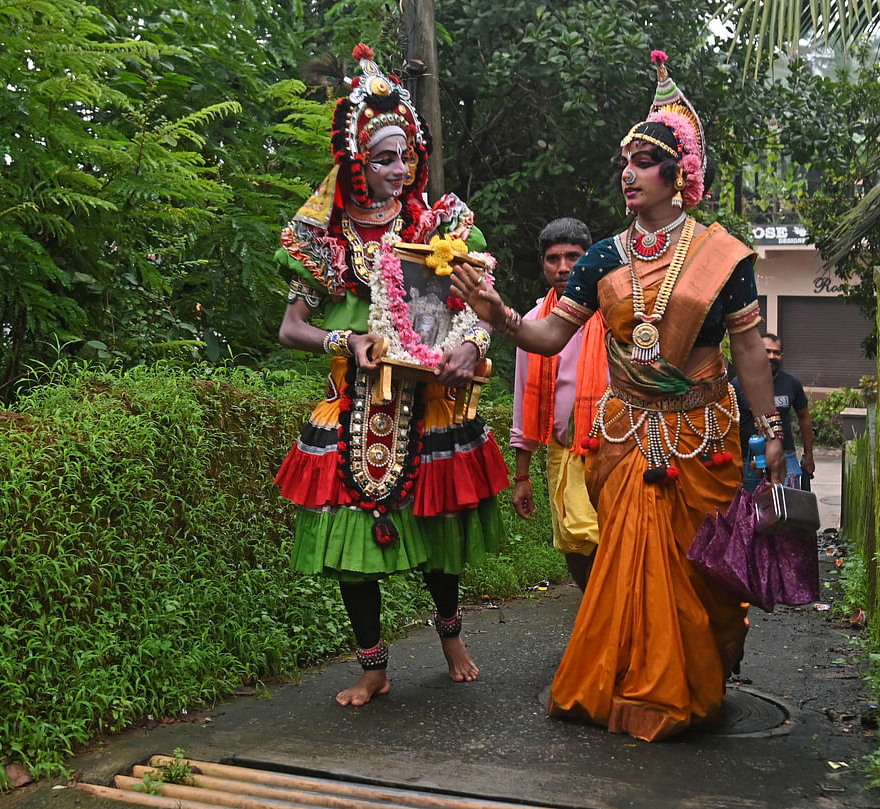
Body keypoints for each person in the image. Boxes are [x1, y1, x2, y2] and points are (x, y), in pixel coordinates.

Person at [450, 50, 787, 741]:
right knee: (626, 568)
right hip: (627, 438)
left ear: (679, 174)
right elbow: (548, 336)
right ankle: (627, 686)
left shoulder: (723, 257)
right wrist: (499, 314)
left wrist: (772, 428)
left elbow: (749, 350)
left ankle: (693, 680)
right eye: (625, 163)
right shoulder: (603, 256)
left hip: (701, 435)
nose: (627, 174)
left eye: (643, 160)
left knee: (703, 575)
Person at [274, 44, 508, 708]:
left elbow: (478, 305)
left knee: (439, 533)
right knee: (351, 546)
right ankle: (373, 666)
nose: (398, 170)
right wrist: (341, 337)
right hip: (353, 403)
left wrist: (473, 342)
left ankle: (451, 635)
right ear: (356, 163)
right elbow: (291, 327)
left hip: (430, 403)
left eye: (405, 156)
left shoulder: (437, 226)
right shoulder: (328, 238)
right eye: (383, 158)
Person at [510, 218, 607, 589]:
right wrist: (521, 476)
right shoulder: (534, 322)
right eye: (553, 258)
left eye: (573, 257)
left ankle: (610, 619)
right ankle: (595, 613)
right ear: (543, 263)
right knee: (574, 539)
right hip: (565, 450)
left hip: (618, 448)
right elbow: (523, 399)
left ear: (591, 260)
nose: (563, 267)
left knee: (615, 536)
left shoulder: (615, 313)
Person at [732, 333, 815, 491]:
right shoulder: (739, 384)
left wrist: (809, 455)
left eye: (776, 353)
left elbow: (804, 417)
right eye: (767, 351)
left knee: (788, 509)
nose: (772, 356)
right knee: (751, 510)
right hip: (750, 460)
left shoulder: (792, 383)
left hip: (785, 457)